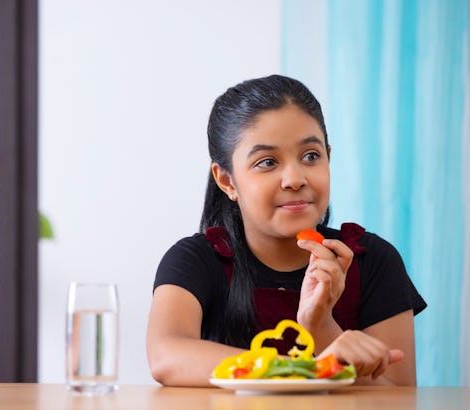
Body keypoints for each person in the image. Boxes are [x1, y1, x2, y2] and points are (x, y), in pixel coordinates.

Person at [146, 75, 426, 387]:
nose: (295, 178)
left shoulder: (374, 259)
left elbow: (399, 396)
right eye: (267, 162)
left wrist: (321, 327)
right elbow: (166, 356)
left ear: (328, 158)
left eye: (310, 156)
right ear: (227, 181)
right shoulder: (195, 260)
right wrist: (305, 368)